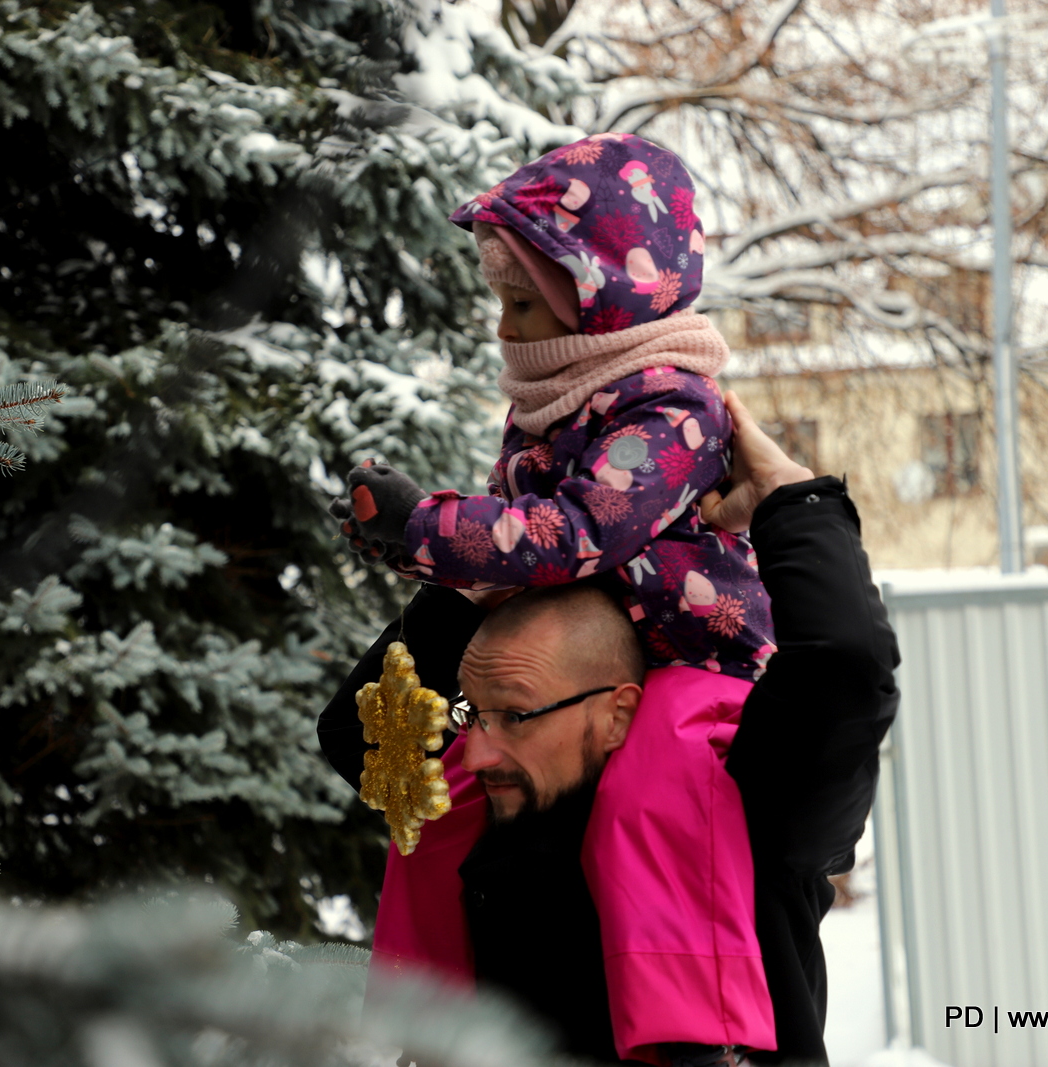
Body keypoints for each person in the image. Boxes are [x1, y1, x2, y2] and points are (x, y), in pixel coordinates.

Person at [328, 133, 778, 1062]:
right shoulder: (550, 399)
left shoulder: (672, 406)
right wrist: (417, 548)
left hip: (696, 663)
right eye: (501, 302)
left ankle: (694, 1031)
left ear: (602, 298)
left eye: (525, 303)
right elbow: (523, 553)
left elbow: (578, 532)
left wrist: (425, 527)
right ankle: (429, 1023)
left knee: (654, 795)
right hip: (588, 651)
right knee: (442, 795)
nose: (505, 327)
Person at [320, 398, 901, 1065]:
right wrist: (472, 580)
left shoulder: (748, 810)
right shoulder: (479, 800)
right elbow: (356, 732)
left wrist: (791, 497)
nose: (472, 748)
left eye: (514, 713)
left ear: (618, 710)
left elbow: (846, 668)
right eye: (470, 713)